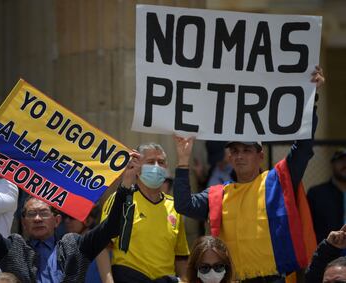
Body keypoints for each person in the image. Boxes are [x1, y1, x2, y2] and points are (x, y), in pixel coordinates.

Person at [173, 66, 325, 282]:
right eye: (234, 151)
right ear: (229, 156)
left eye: (246, 150)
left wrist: (310, 100)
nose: (240, 156)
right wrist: (182, 161)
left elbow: (303, 148)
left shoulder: (278, 181)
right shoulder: (218, 195)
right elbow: (184, 205)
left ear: (260, 155)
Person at [0, 146, 133, 283]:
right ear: (23, 222)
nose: (38, 218)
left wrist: (125, 186)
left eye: (43, 213)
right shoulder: (12, 249)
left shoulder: (76, 246)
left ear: (56, 220)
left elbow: (111, 226)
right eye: (31, 214)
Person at [97, 142, 190, 283]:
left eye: (161, 162)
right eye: (151, 162)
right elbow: (102, 245)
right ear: (137, 168)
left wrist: (184, 279)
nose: (157, 167)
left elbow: (181, 256)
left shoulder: (175, 207)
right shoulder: (121, 200)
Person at [307, 148, 346, 243]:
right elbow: (307, 226)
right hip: (327, 252)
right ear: (332, 164)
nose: (345, 164)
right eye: (341, 160)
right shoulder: (316, 194)